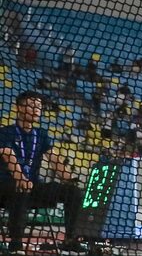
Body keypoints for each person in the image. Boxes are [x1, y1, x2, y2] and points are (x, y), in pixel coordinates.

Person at [0, 91, 86, 255]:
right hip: (6, 189)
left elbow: (54, 159)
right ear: (19, 107)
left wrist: (70, 179)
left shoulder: (41, 134)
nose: (36, 110)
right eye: (31, 105)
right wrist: (21, 178)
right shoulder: (5, 132)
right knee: (20, 188)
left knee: (73, 192)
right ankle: (16, 244)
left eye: (39, 107)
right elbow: (8, 156)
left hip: (33, 188)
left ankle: (69, 240)